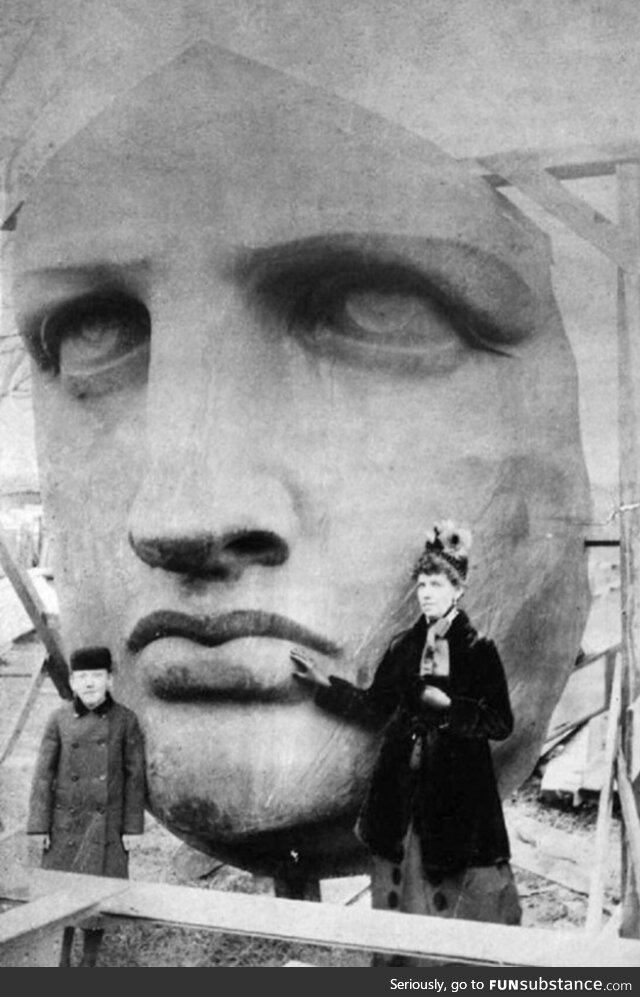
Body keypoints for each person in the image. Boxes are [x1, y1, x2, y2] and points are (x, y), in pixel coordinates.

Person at [11, 42, 590, 882]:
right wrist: (334, 688)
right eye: (92, 331)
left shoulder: (465, 656)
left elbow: (476, 713)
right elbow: (375, 700)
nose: (177, 518)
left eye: (377, 306)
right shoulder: (87, 728)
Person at [292, 522, 520, 962]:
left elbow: (500, 721)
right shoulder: (404, 646)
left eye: (436, 585)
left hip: (455, 800)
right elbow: (375, 706)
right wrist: (323, 685)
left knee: (453, 913)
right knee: (400, 905)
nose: (427, 594)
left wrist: (449, 708)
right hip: (401, 799)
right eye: (421, 585)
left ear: (458, 589)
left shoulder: (478, 649)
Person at [27, 646, 145, 967]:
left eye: (96, 676)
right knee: (61, 896)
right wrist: (38, 826)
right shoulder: (59, 719)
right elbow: (42, 776)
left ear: (109, 679)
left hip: (105, 828)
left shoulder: (126, 721)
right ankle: (62, 961)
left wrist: (133, 828)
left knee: (99, 900)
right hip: (65, 825)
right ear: (73, 682)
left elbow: (135, 779)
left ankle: (88, 963)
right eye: (82, 677)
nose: (90, 683)